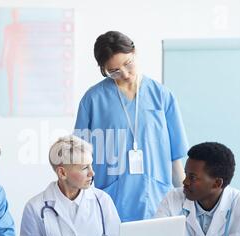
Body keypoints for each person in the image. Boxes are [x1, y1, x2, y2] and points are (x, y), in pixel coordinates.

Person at [74, 31, 188, 222]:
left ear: (135, 52)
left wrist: (186, 203)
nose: (125, 74)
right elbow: (78, 160)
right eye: (114, 71)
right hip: (112, 202)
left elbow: (175, 159)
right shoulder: (93, 100)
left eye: (128, 64)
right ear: (103, 70)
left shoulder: (161, 96)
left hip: (158, 199)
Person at [18, 135, 120, 236]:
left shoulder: (103, 200)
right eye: (84, 168)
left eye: (91, 165)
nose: (92, 173)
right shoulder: (34, 207)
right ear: (62, 173)